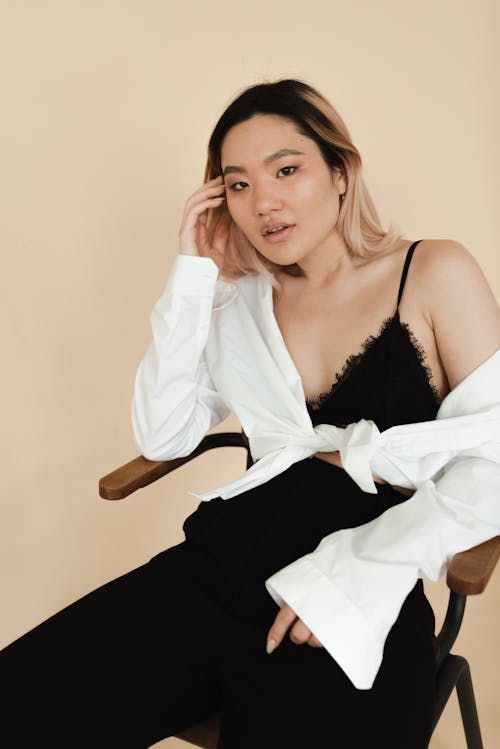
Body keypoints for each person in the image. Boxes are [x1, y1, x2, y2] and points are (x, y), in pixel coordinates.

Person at [1, 78, 500, 748]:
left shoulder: (433, 271)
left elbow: (494, 457)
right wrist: (191, 274)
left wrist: (359, 576)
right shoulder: (238, 298)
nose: (263, 201)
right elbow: (165, 431)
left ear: (341, 172)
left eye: (287, 170)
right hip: (216, 565)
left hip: (360, 577)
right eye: (237, 185)